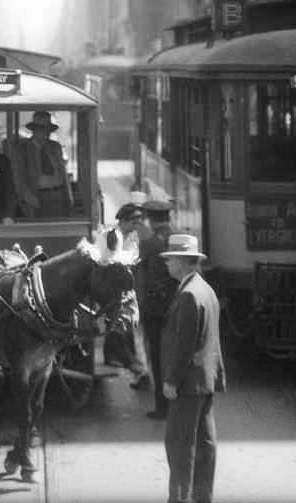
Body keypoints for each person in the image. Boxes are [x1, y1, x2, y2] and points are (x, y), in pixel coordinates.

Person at [160, 234, 226, 503]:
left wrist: (171, 381)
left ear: (181, 262)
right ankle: (202, 496)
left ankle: (179, 498)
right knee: (205, 443)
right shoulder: (205, 290)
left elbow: (184, 345)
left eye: (169, 260)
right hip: (206, 380)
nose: (167, 265)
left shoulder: (188, 295)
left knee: (179, 445)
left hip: (188, 383)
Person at [139, 199, 179, 420]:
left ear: (151, 219)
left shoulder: (150, 243)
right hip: (178, 304)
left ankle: (162, 406)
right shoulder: (179, 238)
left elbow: (142, 275)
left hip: (156, 308)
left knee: (157, 355)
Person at [103, 203, 149, 387]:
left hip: (129, 290)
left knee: (124, 329)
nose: (138, 224)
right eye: (134, 220)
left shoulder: (132, 237)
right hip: (116, 290)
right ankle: (134, 365)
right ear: (123, 220)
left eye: (140, 220)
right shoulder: (113, 237)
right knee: (122, 328)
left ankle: (126, 362)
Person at [13, 111, 73, 218]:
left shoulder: (55, 147)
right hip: (36, 197)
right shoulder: (23, 148)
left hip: (58, 196)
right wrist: (29, 198)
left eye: (47, 129)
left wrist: (68, 197)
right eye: (40, 129)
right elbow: (18, 178)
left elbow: (63, 173)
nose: (44, 132)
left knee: (59, 228)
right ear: (34, 130)